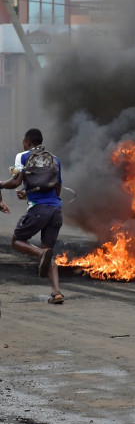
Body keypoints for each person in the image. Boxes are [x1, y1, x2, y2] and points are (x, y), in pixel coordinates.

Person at [0, 128, 64, 304]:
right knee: (49, 251)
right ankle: (57, 293)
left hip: (38, 210)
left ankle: (40, 254)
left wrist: (1, 185)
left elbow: (15, 181)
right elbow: (56, 189)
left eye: (23, 140)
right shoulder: (55, 159)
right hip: (56, 211)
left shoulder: (22, 156)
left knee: (17, 240)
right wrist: (28, 194)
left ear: (28, 142)